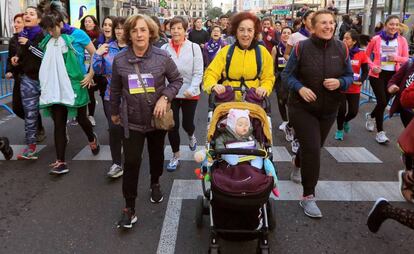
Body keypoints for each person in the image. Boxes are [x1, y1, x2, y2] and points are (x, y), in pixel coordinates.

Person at [110, 14, 183, 229]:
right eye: (134, 30)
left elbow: (177, 80)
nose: (139, 34)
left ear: (150, 33)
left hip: (156, 119)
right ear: (129, 34)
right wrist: (114, 111)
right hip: (131, 120)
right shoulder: (120, 59)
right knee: (131, 162)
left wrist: (165, 97)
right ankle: (129, 208)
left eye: (143, 30)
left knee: (157, 155)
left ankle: (155, 182)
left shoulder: (162, 57)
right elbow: (114, 88)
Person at [281, 10, 353, 218]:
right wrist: (300, 88)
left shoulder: (341, 48)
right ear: (312, 26)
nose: (329, 26)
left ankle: (297, 162)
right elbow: (287, 75)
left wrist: (340, 82)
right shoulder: (300, 48)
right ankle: (308, 196)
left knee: (312, 147)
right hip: (302, 108)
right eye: (323, 23)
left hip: (329, 108)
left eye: (331, 22)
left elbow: (350, 76)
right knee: (313, 149)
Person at [37, 0, 100, 174]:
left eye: (52, 29)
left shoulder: (78, 34)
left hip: (76, 84)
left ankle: (91, 137)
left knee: (81, 119)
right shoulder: (49, 38)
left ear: (60, 23)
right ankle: (61, 161)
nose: (50, 33)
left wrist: (90, 74)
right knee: (58, 122)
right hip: (55, 86)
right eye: (47, 30)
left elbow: (96, 55)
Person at [161, 16, 203, 172]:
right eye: (173, 28)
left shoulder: (194, 48)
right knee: (172, 126)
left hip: (189, 92)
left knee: (187, 124)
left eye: (179, 28)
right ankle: (175, 155)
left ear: (186, 30)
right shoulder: (164, 49)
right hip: (171, 92)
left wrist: (192, 89)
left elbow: (198, 72)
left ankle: (191, 135)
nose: (176, 31)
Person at [203, 12, 275, 102]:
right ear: (235, 31)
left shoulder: (262, 52)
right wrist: (214, 85)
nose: (245, 34)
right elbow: (210, 73)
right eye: (241, 30)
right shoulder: (225, 51)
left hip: (253, 101)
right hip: (228, 102)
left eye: (249, 30)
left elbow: (269, 77)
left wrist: (264, 87)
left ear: (254, 32)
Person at [365, 15, 409, 144]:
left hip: (394, 77)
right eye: (391, 24)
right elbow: (366, 56)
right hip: (377, 75)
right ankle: (380, 133)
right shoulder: (376, 39)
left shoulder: (402, 41)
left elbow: (406, 59)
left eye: (396, 24)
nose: (394, 27)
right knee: (382, 102)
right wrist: (372, 66)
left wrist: (396, 58)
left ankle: (371, 116)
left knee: (383, 103)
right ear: (385, 25)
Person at [93, 17, 127, 178]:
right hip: (111, 95)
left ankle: (131, 156)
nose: (119, 31)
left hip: (131, 98)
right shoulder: (107, 48)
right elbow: (98, 70)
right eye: (117, 28)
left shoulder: (134, 48)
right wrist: (97, 55)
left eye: (122, 28)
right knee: (114, 129)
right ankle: (116, 164)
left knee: (128, 130)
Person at [14, 6, 45, 160]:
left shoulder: (43, 34)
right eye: (26, 13)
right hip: (28, 80)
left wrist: (28, 44)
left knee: (57, 113)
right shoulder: (22, 35)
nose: (27, 15)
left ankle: (62, 137)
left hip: (46, 80)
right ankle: (31, 147)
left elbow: (43, 55)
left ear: (38, 19)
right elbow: (22, 53)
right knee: (30, 114)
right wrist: (17, 58)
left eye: (31, 14)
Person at [284, 10, 315, 155]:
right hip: (297, 79)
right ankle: (296, 136)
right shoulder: (295, 37)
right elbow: (286, 54)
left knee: (309, 114)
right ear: (303, 21)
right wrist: (293, 61)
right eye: (311, 19)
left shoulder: (321, 37)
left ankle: (294, 130)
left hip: (314, 81)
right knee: (298, 112)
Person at [335, 29, 369, 141]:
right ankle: (339, 130)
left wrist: (361, 81)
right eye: (344, 37)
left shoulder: (361, 54)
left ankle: (346, 121)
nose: (344, 40)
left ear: (354, 41)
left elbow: (365, 71)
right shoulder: (339, 51)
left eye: (347, 38)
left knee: (353, 112)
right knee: (341, 110)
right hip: (341, 85)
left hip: (354, 87)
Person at [271, 26, 293, 133]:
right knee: (281, 100)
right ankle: (285, 120)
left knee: (291, 100)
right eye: (284, 32)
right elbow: (271, 64)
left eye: (289, 33)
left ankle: (292, 121)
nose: (286, 35)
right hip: (280, 77)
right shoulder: (276, 48)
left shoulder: (296, 47)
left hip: (292, 77)